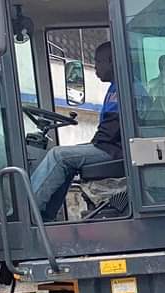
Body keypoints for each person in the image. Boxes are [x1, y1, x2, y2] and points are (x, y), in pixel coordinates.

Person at [30, 41, 120, 221]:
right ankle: (45, 217)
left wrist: (92, 144)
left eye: (98, 61)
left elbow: (112, 129)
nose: (95, 67)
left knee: (59, 156)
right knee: (68, 159)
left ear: (111, 61)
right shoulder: (115, 87)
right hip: (110, 146)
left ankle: (27, 212)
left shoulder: (123, 88)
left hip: (115, 150)